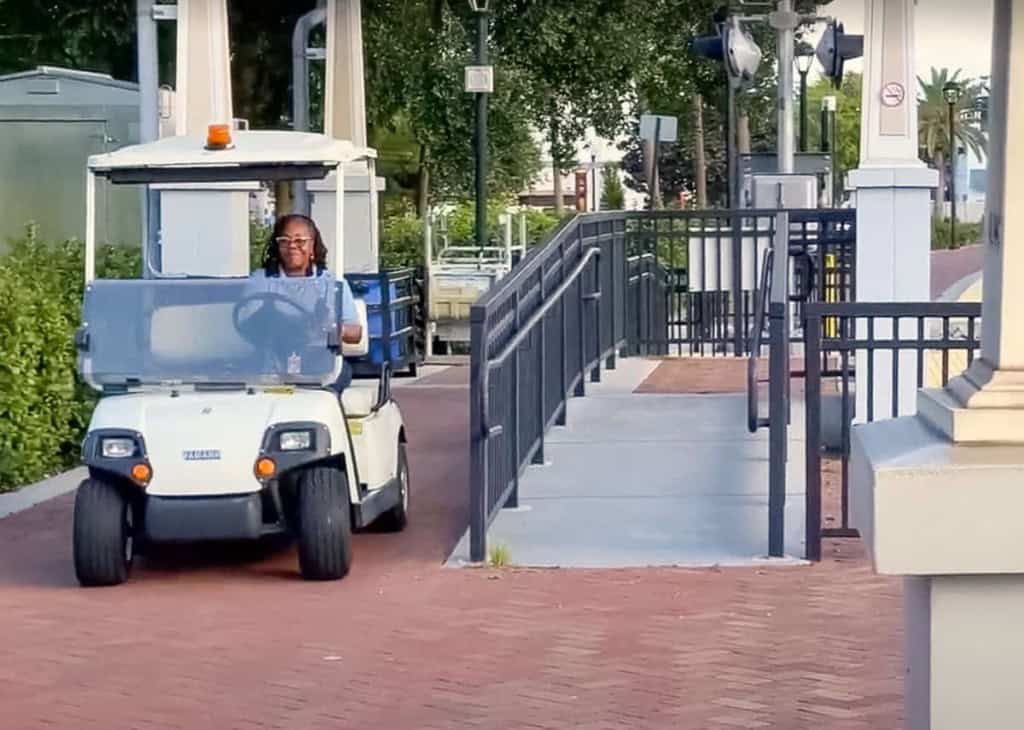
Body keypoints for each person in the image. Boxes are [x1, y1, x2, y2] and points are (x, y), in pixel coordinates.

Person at [256, 213, 362, 391]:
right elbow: (248, 324)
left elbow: (355, 333)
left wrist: (329, 327)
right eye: (285, 240)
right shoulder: (261, 281)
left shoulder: (332, 284)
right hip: (272, 365)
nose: (292, 246)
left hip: (321, 366)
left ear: (313, 245)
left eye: (300, 241)